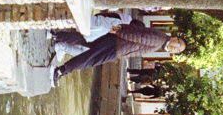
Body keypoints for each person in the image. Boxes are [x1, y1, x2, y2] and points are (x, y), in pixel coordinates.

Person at [52, 27, 186, 84]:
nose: (175, 48)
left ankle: (57, 35)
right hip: (117, 46)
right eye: (178, 44)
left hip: (118, 45)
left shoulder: (161, 40)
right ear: (175, 38)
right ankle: (61, 70)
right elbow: (137, 36)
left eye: (178, 50)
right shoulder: (159, 40)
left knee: (88, 41)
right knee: (90, 59)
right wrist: (119, 32)